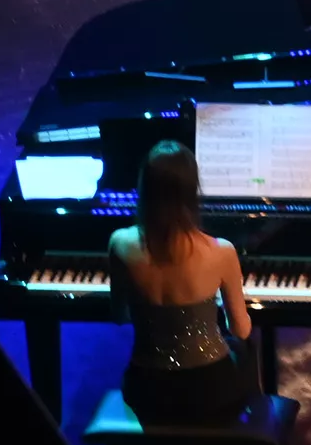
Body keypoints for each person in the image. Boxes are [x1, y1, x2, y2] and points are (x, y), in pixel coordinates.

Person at [107, 141, 261, 425]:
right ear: (192, 190)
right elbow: (239, 330)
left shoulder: (119, 243)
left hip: (147, 389)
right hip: (212, 390)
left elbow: (119, 316)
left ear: (145, 187)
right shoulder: (222, 251)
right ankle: (239, 444)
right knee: (246, 351)